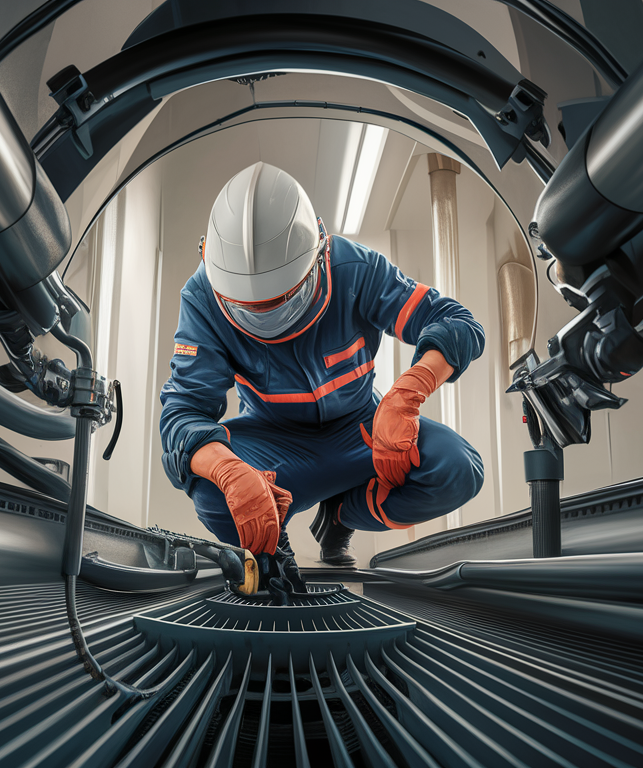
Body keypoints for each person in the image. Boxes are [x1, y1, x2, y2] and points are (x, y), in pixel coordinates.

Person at [159, 162, 484, 566]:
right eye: (249, 309)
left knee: (458, 469)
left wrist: (407, 395)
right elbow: (183, 412)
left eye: (283, 300)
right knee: (213, 495)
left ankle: (341, 514)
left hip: (362, 430)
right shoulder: (202, 297)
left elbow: (457, 323)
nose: (268, 320)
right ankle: (276, 551)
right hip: (274, 440)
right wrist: (227, 470)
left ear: (319, 254)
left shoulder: (354, 269)